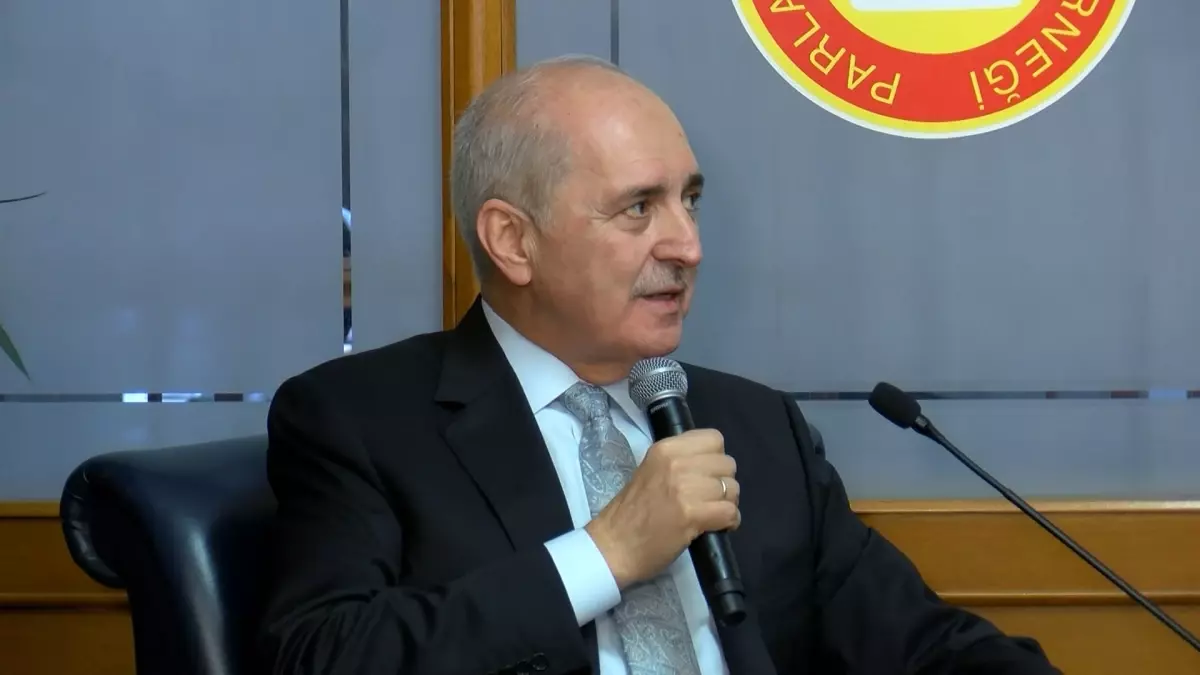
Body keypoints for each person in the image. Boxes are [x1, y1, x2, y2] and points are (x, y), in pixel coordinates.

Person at [257, 54, 1061, 675]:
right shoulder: (361, 421)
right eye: (640, 207)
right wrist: (605, 552)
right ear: (513, 241)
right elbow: (323, 654)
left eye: (690, 200)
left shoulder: (759, 426)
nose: (688, 245)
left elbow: (924, 644)